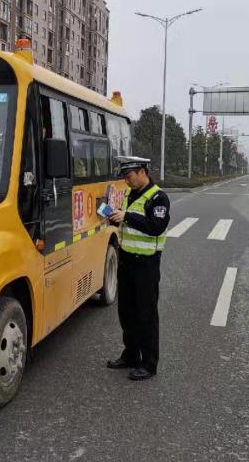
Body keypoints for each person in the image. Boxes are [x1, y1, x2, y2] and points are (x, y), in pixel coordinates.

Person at [106, 156, 170, 381]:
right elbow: (128, 222)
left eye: (129, 176)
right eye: (124, 177)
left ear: (142, 171)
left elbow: (155, 227)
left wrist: (128, 217)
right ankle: (131, 355)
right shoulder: (130, 194)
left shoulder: (158, 197)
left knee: (146, 315)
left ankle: (149, 363)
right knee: (127, 312)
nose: (127, 180)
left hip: (146, 265)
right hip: (126, 261)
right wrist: (115, 218)